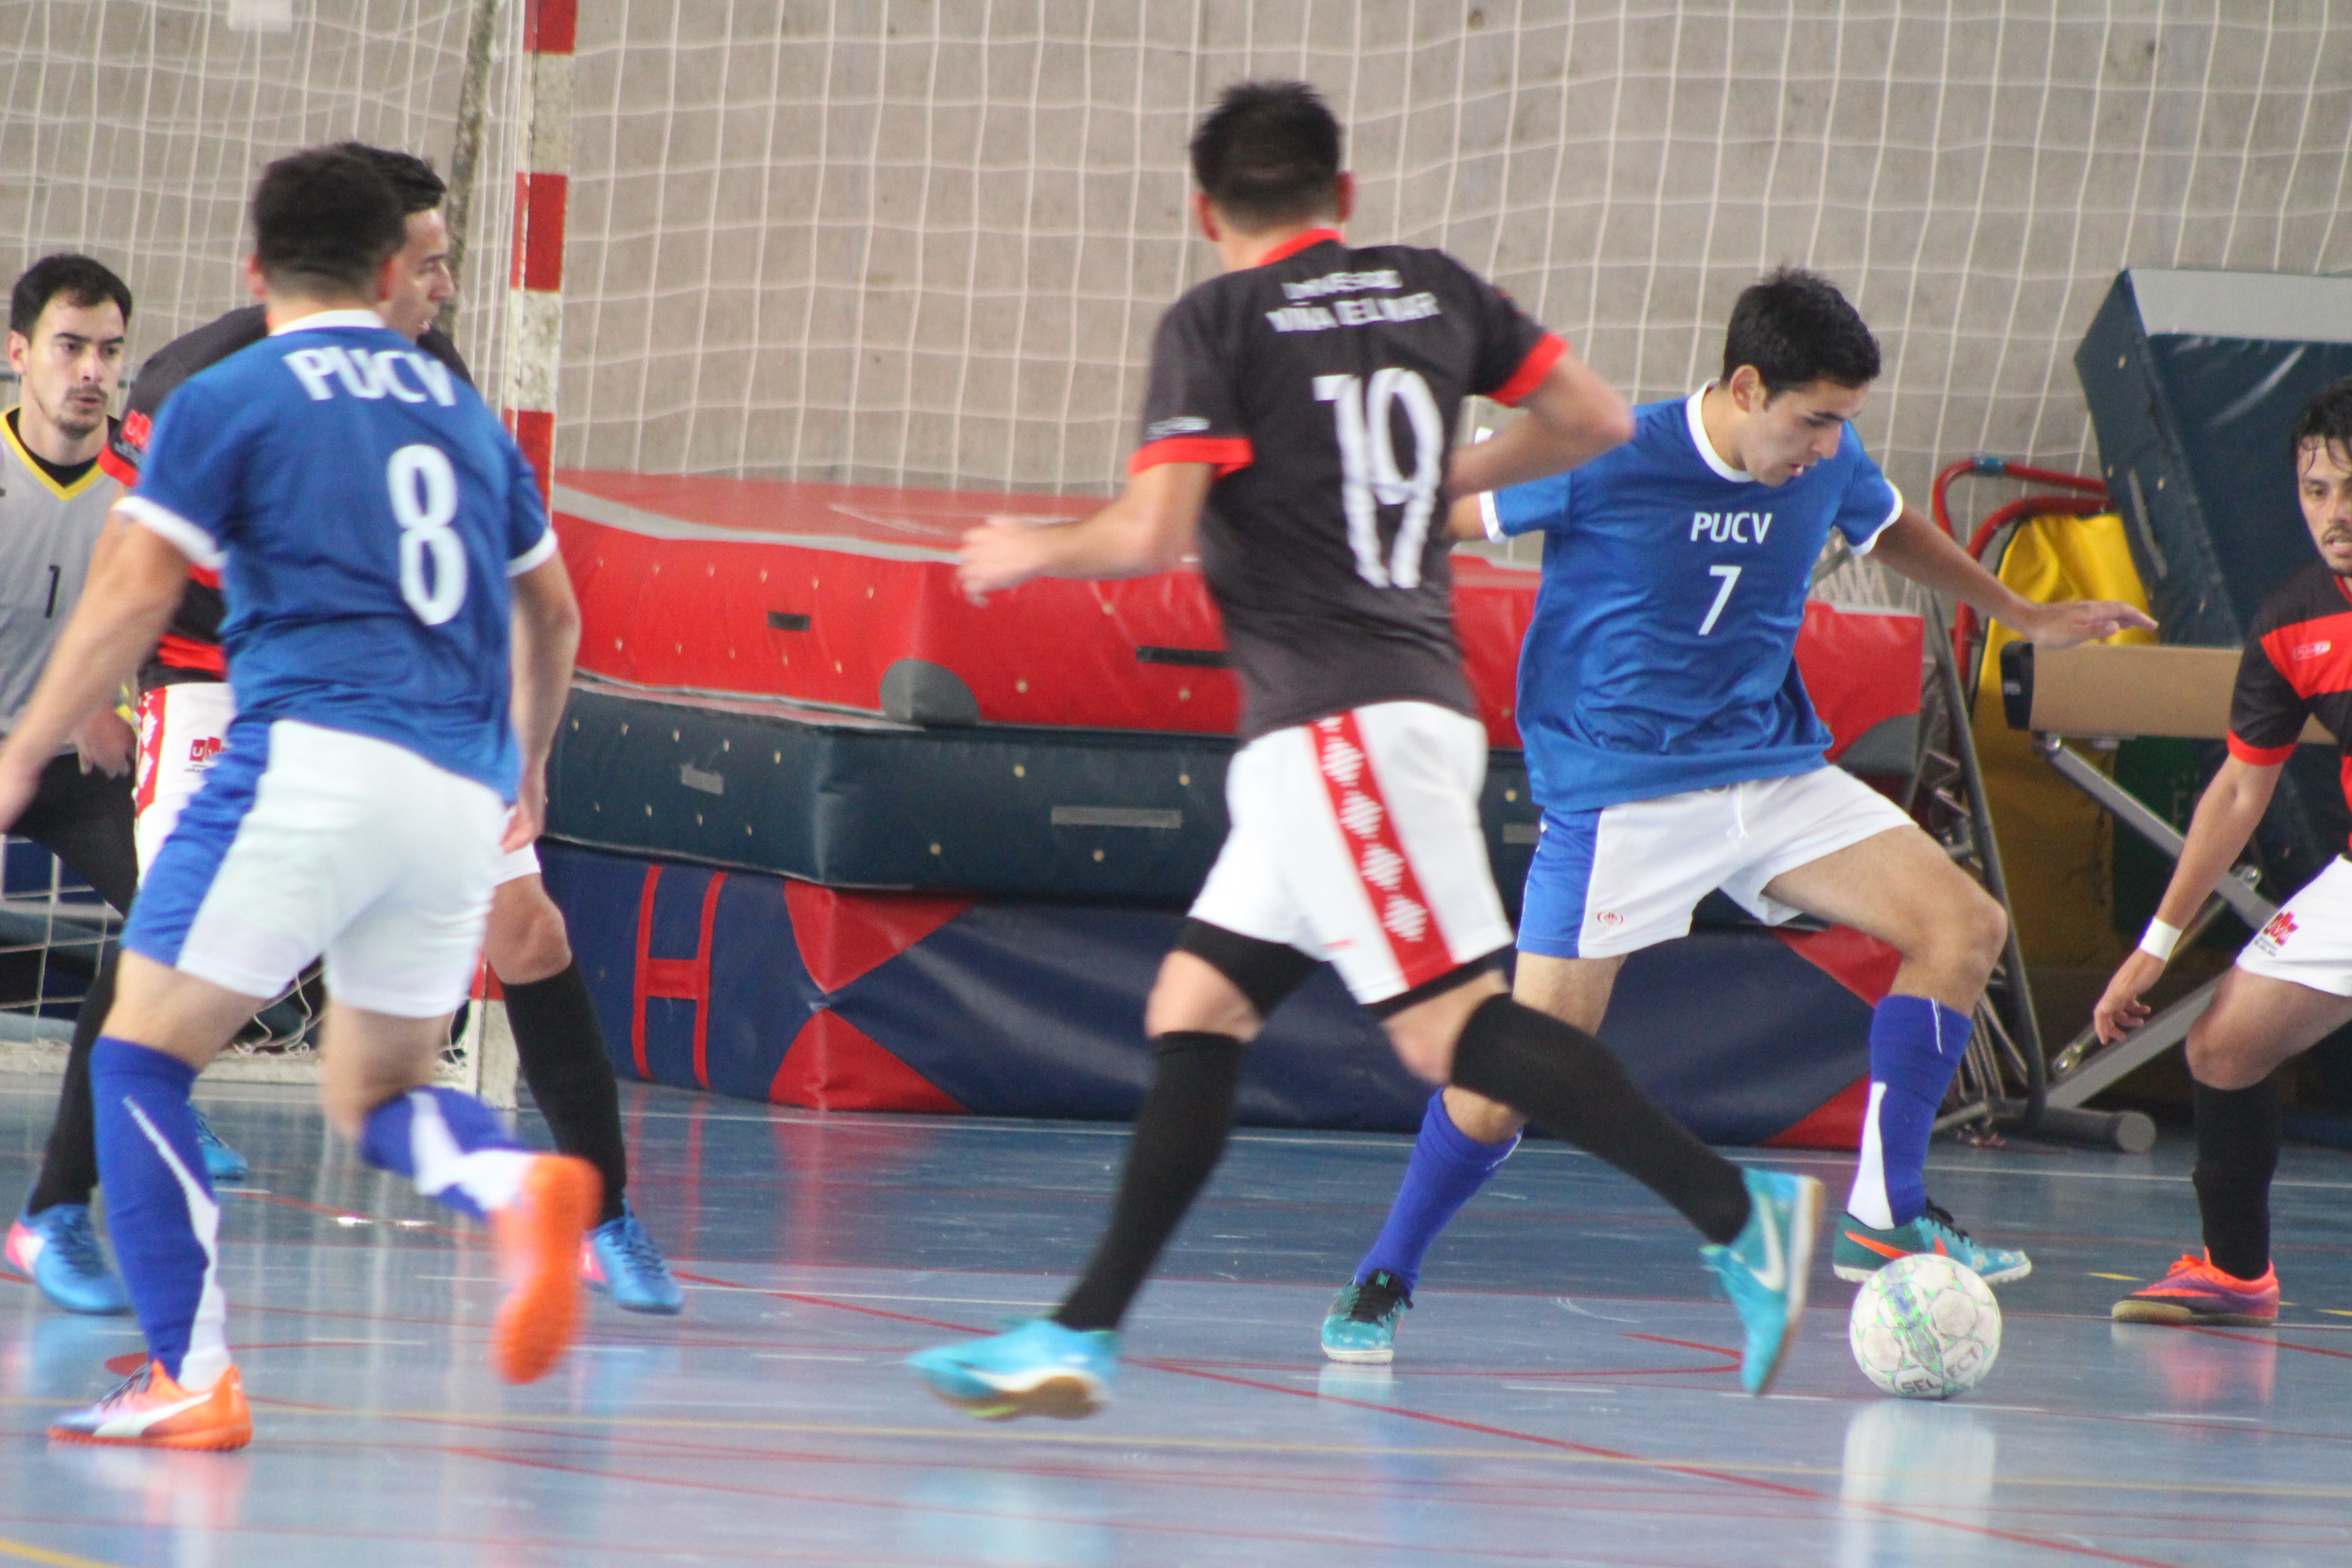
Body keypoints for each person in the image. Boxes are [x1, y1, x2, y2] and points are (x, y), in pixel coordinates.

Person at [906, 80, 1825, 1422]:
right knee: (1196, 1008)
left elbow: (1155, 529)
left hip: (1342, 730)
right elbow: (1595, 419)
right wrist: (1445, 477)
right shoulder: (1431, 288)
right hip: (1372, 720)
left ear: (1204, 210)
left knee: (1453, 1035)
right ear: (1341, 196)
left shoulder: (1217, 321)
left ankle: (1740, 1215)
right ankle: (1080, 1334)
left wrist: (1033, 549)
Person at [1316, 270, 2155, 1364]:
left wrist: (2021, 613)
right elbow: (1440, 518)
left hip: (1767, 770)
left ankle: (1885, 1213)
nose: (1828, 447)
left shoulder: (1828, 460)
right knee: (1512, 1081)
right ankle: (1387, 1271)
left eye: (1844, 423)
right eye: (1813, 421)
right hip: (1620, 794)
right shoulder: (1608, 453)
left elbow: (1887, 523)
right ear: (1748, 387)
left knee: (1964, 926)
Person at [7, 144, 683, 1320]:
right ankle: (62, 1210)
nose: (444, 286)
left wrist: (25, 752)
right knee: (245, 1007)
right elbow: (140, 575)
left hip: (355, 711)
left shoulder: (428, 382)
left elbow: (528, 600)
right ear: (377, 265)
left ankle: (595, 1214)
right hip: (244, 688)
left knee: (519, 932)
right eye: (430, 262)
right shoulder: (212, 380)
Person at [2094, 376, 2352, 1328]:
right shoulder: (2293, 621)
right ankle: (2237, 1274)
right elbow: (2241, 791)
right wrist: (2154, 946)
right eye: (2317, 490)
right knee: (2224, 1044)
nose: (2336, 514)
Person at [0, 254, 149, 1316]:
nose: (91, 370)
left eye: (109, 351)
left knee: (178, 924)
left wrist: (115, 703)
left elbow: (163, 632)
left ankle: (58, 1207)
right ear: (19, 354)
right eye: (69, 346)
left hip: (73, 766)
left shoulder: (140, 497)